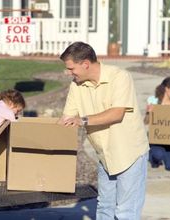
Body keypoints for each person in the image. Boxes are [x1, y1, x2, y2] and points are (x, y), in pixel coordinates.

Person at [59, 42, 149, 220]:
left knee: (126, 212)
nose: (68, 73)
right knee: (104, 208)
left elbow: (117, 114)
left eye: (71, 68)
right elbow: (66, 119)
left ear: (85, 64)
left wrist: (82, 120)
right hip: (105, 155)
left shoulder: (119, 77)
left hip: (129, 154)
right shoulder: (76, 85)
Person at [144, 77, 170, 170]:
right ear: (167, 89)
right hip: (157, 140)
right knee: (157, 156)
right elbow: (146, 122)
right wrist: (149, 112)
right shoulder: (153, 101)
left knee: (169, 166)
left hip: (169, 141)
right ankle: (152, 156)